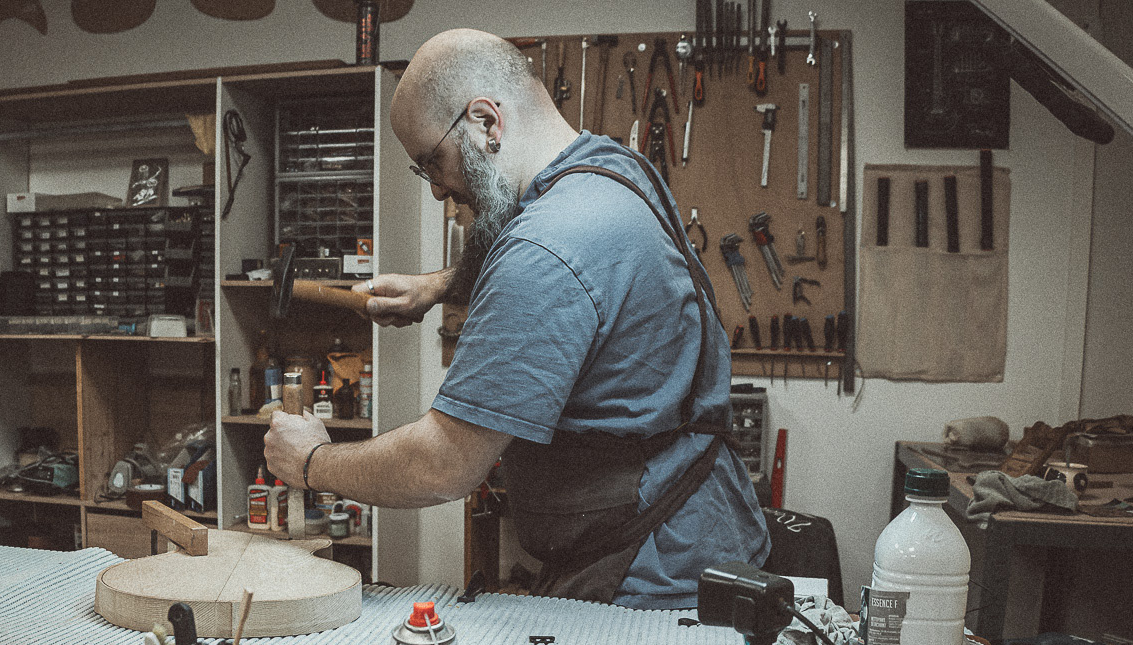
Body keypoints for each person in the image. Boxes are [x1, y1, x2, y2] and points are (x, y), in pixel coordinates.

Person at [265, 28, 769, 609]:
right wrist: (439, 286)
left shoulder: (544, 249)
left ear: (486, 122)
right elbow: (591, 280)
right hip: (705, 536)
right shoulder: (615, 169)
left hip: (651, 576)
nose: (437, 191)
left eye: (432, 162)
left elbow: (445, 463)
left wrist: (313, 462)